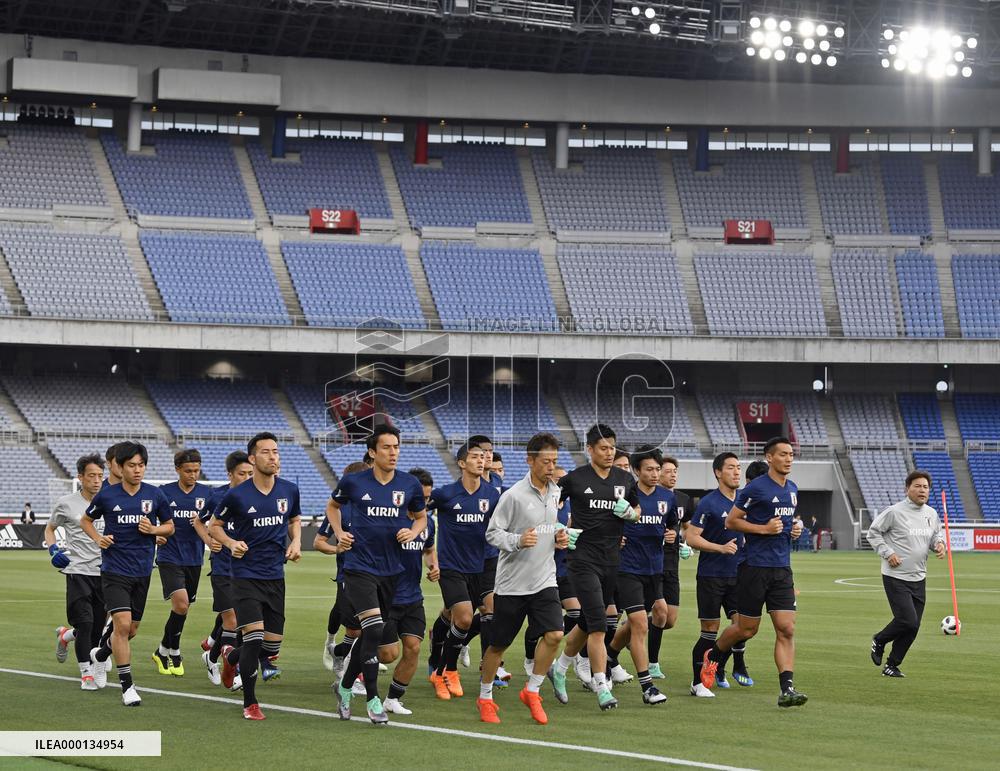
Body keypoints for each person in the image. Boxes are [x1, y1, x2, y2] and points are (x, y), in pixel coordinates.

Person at [326, 425, 427, 726]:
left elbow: (421, 517)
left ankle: (344, 688)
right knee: (373, 630)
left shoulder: (409, 484)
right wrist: (340, 532)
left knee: (372, 635)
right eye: (386, 447)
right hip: (358, 569)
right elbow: (333, 506)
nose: (393, 452)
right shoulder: (354, 482)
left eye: (396, 447)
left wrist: (413, 531)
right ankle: (372, 698)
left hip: (391, 572)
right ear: (372, 452)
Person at [699, 437, 807, 708]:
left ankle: (787, 688)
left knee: (787, 628)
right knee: (746, 629)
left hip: (782, 568)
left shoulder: (793, 489)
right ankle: (713, 657)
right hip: (753, 568)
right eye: (783, 454)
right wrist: (762, 530)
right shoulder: (755, 489)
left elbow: (783, 524)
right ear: (769, 458)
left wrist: (793, 529)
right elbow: (731, 521)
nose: (789, 458)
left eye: (791, 454)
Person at [209, 432, 303, 720]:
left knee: (271, 646)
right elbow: (214, 526)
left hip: (275, 576)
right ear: (252, 458)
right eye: (266, 452)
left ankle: (231, 657)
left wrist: (296, 541)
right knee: (253, 636)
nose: (273, 456)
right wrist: (231, 543)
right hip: (245, 576)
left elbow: (294, 519)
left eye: (276, 451)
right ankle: (250, 703)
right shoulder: (237, 495)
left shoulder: (289, 490)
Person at [477, 432, 569, 725]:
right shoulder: (513, 495)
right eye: (545, 461)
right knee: (498, 646)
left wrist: (559, 536)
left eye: (554, 461)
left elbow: (550, 526)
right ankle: (486, 697)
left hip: (545, 580)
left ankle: (532, 690)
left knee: (555, 635)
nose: (551, 466)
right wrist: (518, 540)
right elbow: (492, 533)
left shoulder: (555, 491)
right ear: (530, 460)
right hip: (512, 585)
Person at [550, 424, 640, 711]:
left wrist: (631, 513)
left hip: (611, 560)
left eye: (612, 447)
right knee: (600, 623)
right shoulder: (575, 479)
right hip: (581, 559)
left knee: (588, 622)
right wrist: (561, 528)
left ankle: (560, 667)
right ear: (589, 450)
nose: (609, 453)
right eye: (603, 448)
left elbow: (637, 509)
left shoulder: (625, 479)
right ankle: (601, 684)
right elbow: (548, 505)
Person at [81, 441, 175, 707]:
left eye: (141, 465)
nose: (137, 470)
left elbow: (169, 527)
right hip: (114, 572)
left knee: (130, 631)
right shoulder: (107, 496)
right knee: (121, 626)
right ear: (119, 468)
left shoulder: (155, 495)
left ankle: (100, 655)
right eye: (131, 465)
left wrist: (154, 531)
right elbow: (86, 520)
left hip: (143, 572)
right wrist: (98, 538)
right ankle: (127, 687)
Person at [426, 442, 501, 700]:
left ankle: (444, 668)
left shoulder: (492, 494)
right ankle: (448, 670)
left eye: (483, 457)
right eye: (475, 457)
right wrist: (427, 556)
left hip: (482, 566)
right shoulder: (445, 494)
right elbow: (417, 514)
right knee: (465, 618)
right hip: (452, 567)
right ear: (461, 463)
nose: (481, 461)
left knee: (491, 612)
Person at [604, 446, 672, 705]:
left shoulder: (668, 498)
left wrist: (673, 535)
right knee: (641, 623)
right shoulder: (625, 496)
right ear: (636, 471)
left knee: (637, 622)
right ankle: (648, 686)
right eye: (649, 469)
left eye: (657, 469)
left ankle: (609, 657)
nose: (655, 474)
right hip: (627, 569)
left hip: (654, 570)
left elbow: (671, 527)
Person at [684, 452, 753, 698]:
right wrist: (720, 548)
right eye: (731, 467)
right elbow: (690, 537)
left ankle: (717, 665)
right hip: (712, 576)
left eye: (738, 467)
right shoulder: (709, 503)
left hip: (739, 576)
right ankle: (697, 683)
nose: (736, 472)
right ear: (718, 473)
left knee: (742, 627)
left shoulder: (745, 501)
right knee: (710, 630)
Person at [866, 470, 945, 678]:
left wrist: (939, 544)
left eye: (925, 487)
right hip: (896, 576)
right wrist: (888, 552)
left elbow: (936, 534)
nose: (922, 490)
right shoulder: (894, 511)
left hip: (919, 576)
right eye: (917, 486)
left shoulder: (931, 514)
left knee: (914, 627)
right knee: (907, 620)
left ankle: (892, 665)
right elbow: (873, 532)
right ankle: (880, 639)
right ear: (907, 489)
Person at [376, 467, 438, 715]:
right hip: (387, 596)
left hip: (413, 596)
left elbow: (428, 550)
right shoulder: (388, 518)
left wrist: (434, 567)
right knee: (388, 655)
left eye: (426, 499)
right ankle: (354, 658)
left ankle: (392, 698)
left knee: (413, 648)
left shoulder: (428, 524)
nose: (422, 503)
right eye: (419, 498)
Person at [45, 454, 106, 690]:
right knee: (86, 623)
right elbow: (50, 529)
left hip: (104, 573)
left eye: (100, 476)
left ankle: (65, 636)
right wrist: (53, 550)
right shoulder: (66, 503)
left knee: (95, 629)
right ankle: (86, 673)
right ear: (80, 477)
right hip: (77, 571)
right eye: (91, 476)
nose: (97, 480)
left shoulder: (110, 500)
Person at [153, 448, 215, 677]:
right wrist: (155, 534)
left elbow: (215, 523)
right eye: (188, 470)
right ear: (177, 469)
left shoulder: (207, 494)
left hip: (194, 558)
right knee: (181, 604)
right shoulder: (163, 493)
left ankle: (162, 650)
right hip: (169, 556)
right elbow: (150, 520)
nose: (193, 475)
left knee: (183, 608)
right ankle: (175, 651)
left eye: (197, 470)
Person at [199, 450, 254, 689]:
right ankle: (235, 671)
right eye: (242, 473)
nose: (247, 477)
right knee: (231, 619)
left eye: (250, 473)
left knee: (242, 620)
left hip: (248, 568)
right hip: (222, 566)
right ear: (230, 473)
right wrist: (209, 541)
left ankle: (212, 657)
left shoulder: (257, 497)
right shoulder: (217, 496)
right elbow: (199, 521)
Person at [318, 461, 369, 675]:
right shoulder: (339, 510)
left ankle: (345, 654)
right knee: (355, 628)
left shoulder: (377, 507)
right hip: (348, 575)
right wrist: (337, 548)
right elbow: (319, 542)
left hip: (378, 574)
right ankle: (351, 670)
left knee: (373, 628)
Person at [650, 456, 692, 679]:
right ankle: (652, 663)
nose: (672, 474)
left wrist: (683, 541)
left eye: (675, 470)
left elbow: (687, 528)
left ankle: (631, 629)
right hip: (652, 563)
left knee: (670, 619)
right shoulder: (649, 498)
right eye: (668, 471)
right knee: (660, 612)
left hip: (672, 565)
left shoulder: (683, 499)